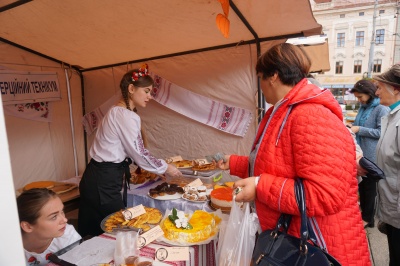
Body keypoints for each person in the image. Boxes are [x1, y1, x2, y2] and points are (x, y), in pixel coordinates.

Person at [216, 43, 371, 265]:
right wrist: (234, 163)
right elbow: (276, 164)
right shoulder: (282, 111)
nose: (259, 85)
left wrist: (260, 187)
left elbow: (324, 194)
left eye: (260, 77)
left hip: (320, 247)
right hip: (295, 241)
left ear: (273, 76)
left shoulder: (310, 114)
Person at [78, 64, 182, 237]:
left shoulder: (116, 112)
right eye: (147, 91)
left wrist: (155, 168)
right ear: (131, 88)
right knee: (118, 230)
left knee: (94, 233)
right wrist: (165, 167)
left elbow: (132, 151)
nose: (150, 96)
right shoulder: (126, 115)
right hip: (103, 182)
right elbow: (139, 154)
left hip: (97, 177)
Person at [348, 79, 389, 228]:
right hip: (361, 152)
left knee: (369, 189)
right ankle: (364, 214)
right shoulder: (363, 107)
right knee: (363, 187)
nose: (359, 100)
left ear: (369, 93)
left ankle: (368, 218)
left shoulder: (381, 109)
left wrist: (359, 129)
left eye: (360, 97)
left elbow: (382, 132)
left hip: (372, 154)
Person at [372, 64, 400, 266]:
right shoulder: (391, 117)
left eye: (380, 87)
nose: (377, 92)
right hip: (391, 204)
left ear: (396, 89)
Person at [17, 188, 81, 266]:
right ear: (27, 227)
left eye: (62, 211)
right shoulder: (9, 248)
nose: (65, 219)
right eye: (54, 217)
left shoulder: (68, 236)